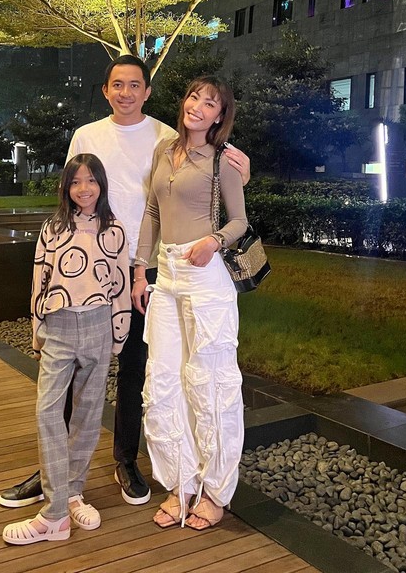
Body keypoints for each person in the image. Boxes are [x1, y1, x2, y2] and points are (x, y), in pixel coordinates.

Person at [0, 54, 250, 510]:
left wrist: (241, 169)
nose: (126, 92)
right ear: (106, 90)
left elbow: (206, 173)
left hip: (150, 267)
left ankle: (126, 460)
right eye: (118, 84)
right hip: (91, 268)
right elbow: (73, 192)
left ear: (148, 92)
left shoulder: (166, 136)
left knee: (137, 367)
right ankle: (54, 471)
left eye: (135, 85)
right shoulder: (87, 135)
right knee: (71, 371)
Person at [131, 75, 247, 531]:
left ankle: (215, 491)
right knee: (164, 381)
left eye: (210, 103)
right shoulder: (165, 150)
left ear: (220, 116)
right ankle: (180, 483)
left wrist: (213, 242)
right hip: (166, 276)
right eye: (194, 97)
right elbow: (152, 212)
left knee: (211, 382)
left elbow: (239, 221)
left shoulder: (224, 159)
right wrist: (140, 270)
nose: (197, 106)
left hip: (206, 276)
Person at [2, 154, 131, 545]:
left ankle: (73, 493)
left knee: (89, 415)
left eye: (91, 180)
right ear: (66, 187)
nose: (83, 189)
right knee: (48, 411)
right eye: (75, 182)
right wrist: (38, 331)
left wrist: (118, 334)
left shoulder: (114, 229)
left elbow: (120, 286)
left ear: (101, 184)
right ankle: (55, 511)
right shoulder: (53, 228)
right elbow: (39, 280)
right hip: (59, 326)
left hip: (98, 324)